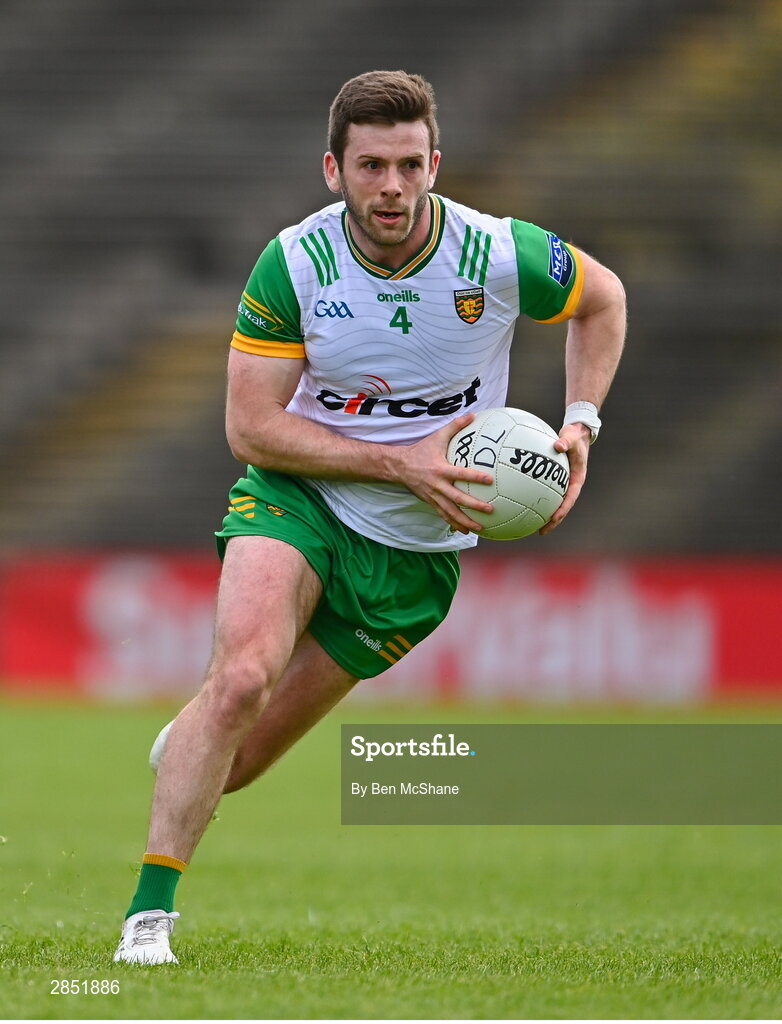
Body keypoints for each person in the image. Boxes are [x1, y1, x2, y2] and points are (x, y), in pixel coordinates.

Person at [113, 70, 626, 965]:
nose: (390, 186)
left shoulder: (498, 255)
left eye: (408, 164)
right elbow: (250, 425)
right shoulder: (296, 263)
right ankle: (147, 921)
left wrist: (579, 423)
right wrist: (402, 462)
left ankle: (203, 740)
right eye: (370, 166)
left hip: (415, 558)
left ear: (435, 164)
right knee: (241, 679)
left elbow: (604, 298)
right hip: (300, 496)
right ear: (333, 169)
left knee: (232, 762)